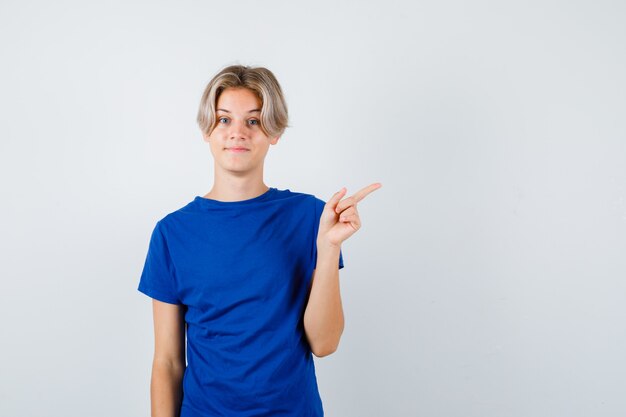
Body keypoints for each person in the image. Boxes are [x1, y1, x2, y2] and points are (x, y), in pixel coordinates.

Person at [137, 64, 381, 417]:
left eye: (253, 121)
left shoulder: (311, 217)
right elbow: (168, 362)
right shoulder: (172, 233)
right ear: (207, 129)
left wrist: (328, 250)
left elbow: (324, 343)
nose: (238, 132)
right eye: (224, 120)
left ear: (274, 132)